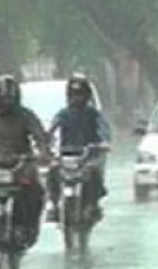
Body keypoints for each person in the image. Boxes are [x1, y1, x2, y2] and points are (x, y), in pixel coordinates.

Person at [0, 75, 51, 248]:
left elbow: (39, 135)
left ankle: (28, 227)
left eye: (10, 98)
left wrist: (43, 152)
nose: (7, 102)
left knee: (36, 191)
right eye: (3, 98)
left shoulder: (25, 115)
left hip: (21, 164)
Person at [46, 75, 111, 222]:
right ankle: (54, 204)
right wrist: (46, 143)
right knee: (53, 170)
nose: (77, 98)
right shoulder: (63, 114)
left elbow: (104, 130)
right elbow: (51, 130)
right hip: (67, 156)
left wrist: (104, 142)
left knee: (94, 171)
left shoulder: (94, 115)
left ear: (87, 96)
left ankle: (93, 204)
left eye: (80, 94)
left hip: (89, 156)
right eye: (74, 94)